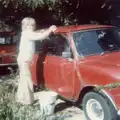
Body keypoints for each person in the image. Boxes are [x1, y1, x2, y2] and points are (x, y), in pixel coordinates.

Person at [16, 17, 57, 105]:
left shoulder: (26, 32)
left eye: (33, 25)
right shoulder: (27, 33)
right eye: (31, 25)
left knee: (23, 79)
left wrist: (44, 30)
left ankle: (21, 99)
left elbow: (37, 33)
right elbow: (40, 36)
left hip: (23, 59)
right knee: (27, 80)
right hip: (24, 60)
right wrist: (49, 30)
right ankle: (28, 101)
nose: (32, 26)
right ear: (26, 25)